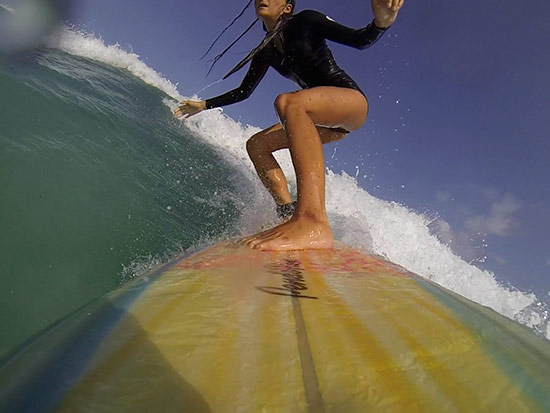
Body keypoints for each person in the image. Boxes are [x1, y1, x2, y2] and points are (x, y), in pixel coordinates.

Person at [174, 0, 404, 250]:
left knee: (288, 102)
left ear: (287, 7)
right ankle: (287, 212)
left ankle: (312, 221)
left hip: (350, 103)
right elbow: (243, 91)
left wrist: (382, 23)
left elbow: (359, 39)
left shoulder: (307, 20)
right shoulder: (266, 50)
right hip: (319, 122)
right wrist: (203, 105)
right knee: (257, 145)